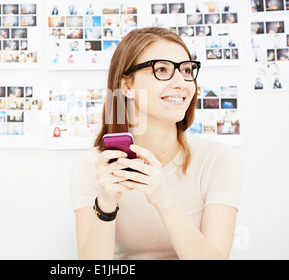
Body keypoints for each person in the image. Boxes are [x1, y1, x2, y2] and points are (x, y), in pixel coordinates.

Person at [71, 27, 242, 260]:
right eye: (162, 69)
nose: (181, 82)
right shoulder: (95, 167)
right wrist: (106, 204)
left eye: (186, 70)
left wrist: (163, 197)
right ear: (127, 86)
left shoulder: (217, 160)